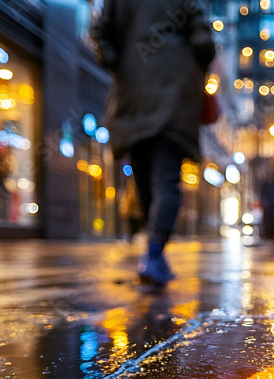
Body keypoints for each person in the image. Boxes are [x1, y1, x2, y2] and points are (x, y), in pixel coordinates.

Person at [92, 0, 215, 286]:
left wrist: (118, 61)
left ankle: (154, 254)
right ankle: (154, 253)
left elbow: (101, 34)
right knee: (166, 178)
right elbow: (203, 41)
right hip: (173, 91)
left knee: (145, 178)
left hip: (133, 93)